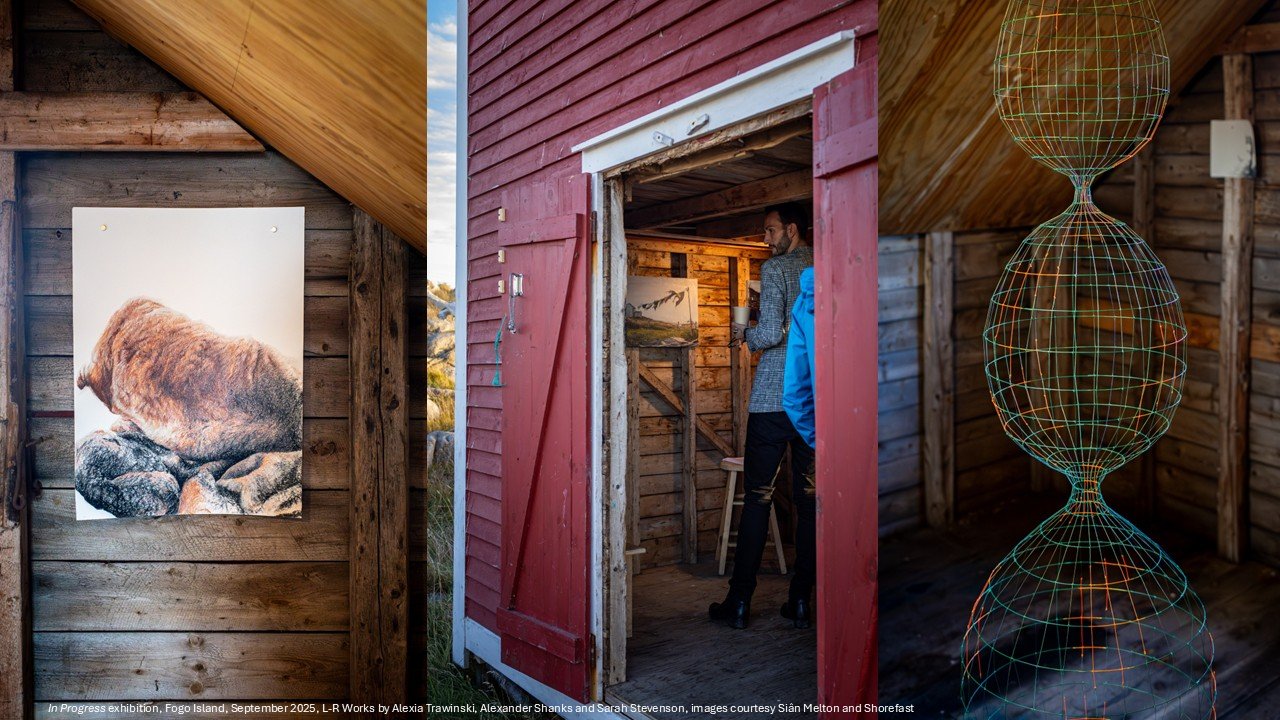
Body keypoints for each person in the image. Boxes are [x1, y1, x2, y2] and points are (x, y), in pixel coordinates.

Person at [709, 202, 815, 630]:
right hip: (811, 400)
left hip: (774, 397)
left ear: (792, 228)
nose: (766, 239)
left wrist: (743, 335)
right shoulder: (823, 266)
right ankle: (801, 601)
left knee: (756, 498)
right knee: (809, 502)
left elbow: (770, 332)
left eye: (770, 231)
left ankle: (738, 603)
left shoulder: (774, 272)